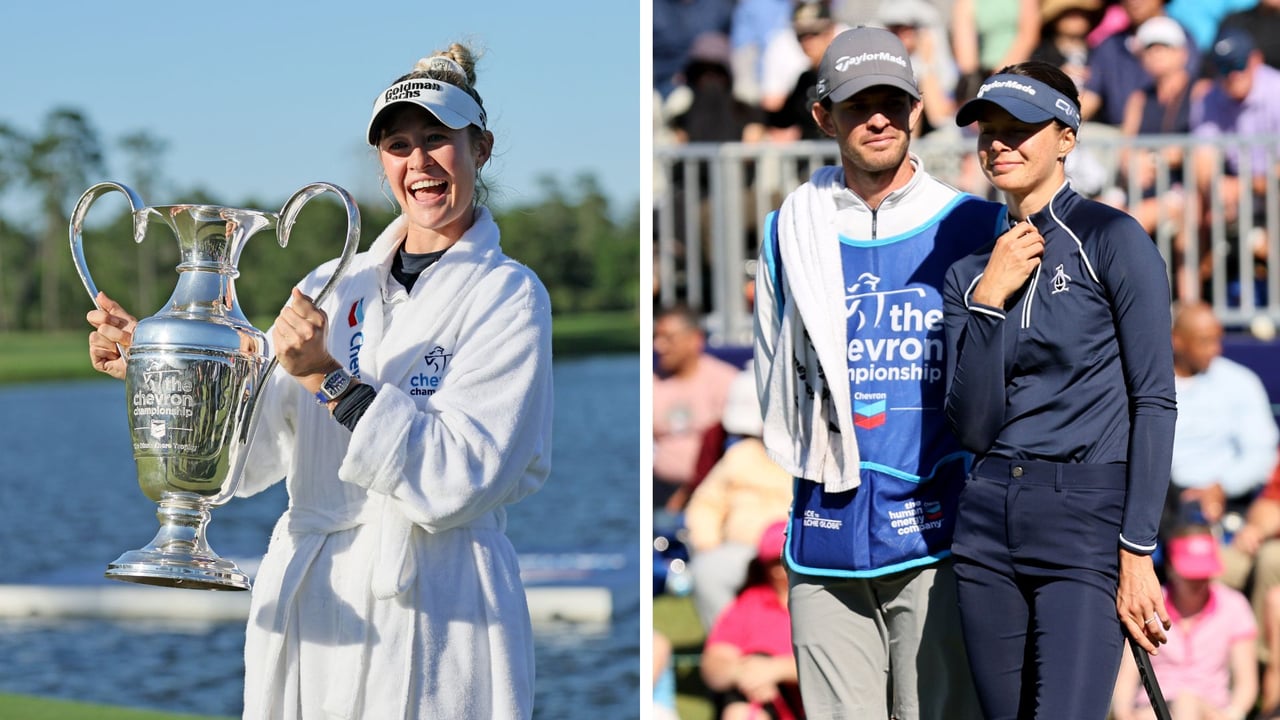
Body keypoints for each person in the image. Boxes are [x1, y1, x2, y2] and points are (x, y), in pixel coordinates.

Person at [86, 44, 554, 719]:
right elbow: (248, 461)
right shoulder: (328, 286)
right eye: (398, 145)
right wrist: (164, 374)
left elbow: (460, 480)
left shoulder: (509, 295)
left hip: (439, 607)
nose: (418, 162)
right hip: (314, 603)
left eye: (437, 140)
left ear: (480, 148)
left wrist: (328, 379)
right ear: (381, 161)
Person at [753, 25, 1004, 719]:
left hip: (940, 535)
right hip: (822, 534)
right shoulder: (786, 231)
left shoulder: (975, 225)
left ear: (916, 108)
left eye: (892, 102)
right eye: (859, 105)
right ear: (823, 116)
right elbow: (775, 379)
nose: (878, 119)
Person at [943, 60, 1177, 719]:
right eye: (989, 129)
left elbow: (1155, 400)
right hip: (987, 520)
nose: (999, 143)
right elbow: (972, 427)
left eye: (1019, 128)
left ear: (1066, 138)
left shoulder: (1112, 238)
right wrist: (988, 300)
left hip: (1085, 518)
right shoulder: (969, 271)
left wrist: (1137, 550)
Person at [684, 368, 794, 630]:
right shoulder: (740, 455)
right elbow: (706, 503)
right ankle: (730, 639)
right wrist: (706, 541)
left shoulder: (807, 458)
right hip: (741, 550)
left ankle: (786, 644)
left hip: (792, 550)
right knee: (707, 571)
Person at [1111, 525, 1258, 720]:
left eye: (1204, 572)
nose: (1198, 581)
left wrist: (1233, 714)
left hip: (1212, 710)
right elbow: (1128, 673)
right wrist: (1123, 713)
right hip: (1153, 708)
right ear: (1170, 567)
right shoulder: (1148, 605)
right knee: (1181, 705)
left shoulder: (1234, 605)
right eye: (1190, 574)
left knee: (1186, 703)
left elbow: (1246, 681)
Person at [1166, 301, 1278, 536]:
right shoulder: (1147, 386)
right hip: (1162, 504)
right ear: (1176, 340)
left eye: (1217, 339)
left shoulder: (1240, 382)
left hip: (1228, 507)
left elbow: (1261, 452)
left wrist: (1222, 487)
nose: (1215, 349)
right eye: (1204, 341)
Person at [1190, 27, 1280, 292]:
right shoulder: (1209, 98)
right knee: (1192, 205)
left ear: (1256, 60)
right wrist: (1214, 191)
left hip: (1270, 189)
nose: (1232, 75)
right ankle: (1191, 303)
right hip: (1238, 195)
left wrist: (1244, 186)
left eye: (1238, 65)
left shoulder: (1276, 91)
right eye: (1224, 68)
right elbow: (1202, 158)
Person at [700, 520, 804, 720]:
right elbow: (714, 663)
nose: (784, 570)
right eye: (778, 562)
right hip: (757, 703)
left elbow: (840, 665)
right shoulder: (749, 603)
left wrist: (776, 669)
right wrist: (747, 675)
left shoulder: (826, 606)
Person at [653, 304, 741, 511]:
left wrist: (690, 491)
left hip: (716, 492)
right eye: (656, 337)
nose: (659, 346)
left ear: (695, 339)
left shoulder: (727, 381)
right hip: (659, 490)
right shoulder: (651, 384)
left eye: (668, 338)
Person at [1081, 0, 1198, 127]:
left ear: (1182, 54)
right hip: (1119, 130)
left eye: (1162, 47)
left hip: (1174, 130)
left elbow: (1184, 91)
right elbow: (1090, 97)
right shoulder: (1109, 46)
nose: (1133, 2)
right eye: (1150, 48)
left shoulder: (1183, 39)